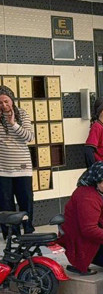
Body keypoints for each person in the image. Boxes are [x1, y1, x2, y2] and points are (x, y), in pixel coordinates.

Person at [0, 85, 35, 236]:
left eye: (6, 101)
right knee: (5, 204)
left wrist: (13, 124)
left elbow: (29, 137)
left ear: (12, 100)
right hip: (2, 169)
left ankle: (28, 230)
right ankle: (10, 234)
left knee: (25, 201)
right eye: (0, 103)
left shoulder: (22, 114)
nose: (4, 105)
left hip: (22, 167)